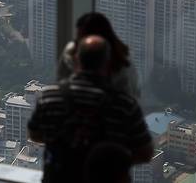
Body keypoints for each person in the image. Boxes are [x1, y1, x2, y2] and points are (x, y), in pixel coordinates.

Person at [29, 35, 153, 183]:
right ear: (108, 64)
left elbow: (35, 134)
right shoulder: (124, 105)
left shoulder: (49, 96)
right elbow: (145, 153)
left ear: (76, 60)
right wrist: (111, 159)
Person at [58, 12, 139, 98]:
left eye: (81, 38)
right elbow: (61, 80)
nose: (78, 43)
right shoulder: (70, 52)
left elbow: (129, 94)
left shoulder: (123, 63)